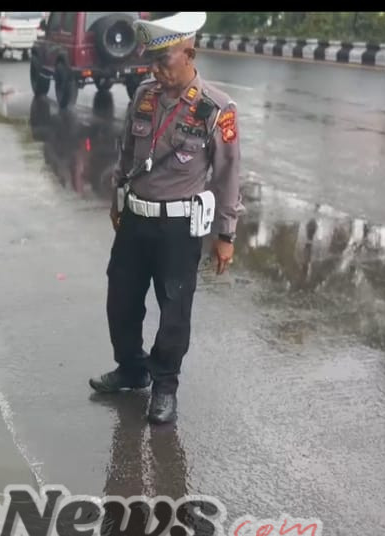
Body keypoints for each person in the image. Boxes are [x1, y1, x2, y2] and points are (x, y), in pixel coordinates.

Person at [89, 12, 243, 425]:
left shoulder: (216, 108)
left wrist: (226, 234)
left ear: (189, 54)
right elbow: (126, 152)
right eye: (152, 62)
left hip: (177, 227)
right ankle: (131, 368)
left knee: (174, 310)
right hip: (135, 219)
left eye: (164, 61)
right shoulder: (144, 95)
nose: (156, 70)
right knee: (121, 300)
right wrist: (117, 199)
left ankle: (165, 386)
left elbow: (228, 175)